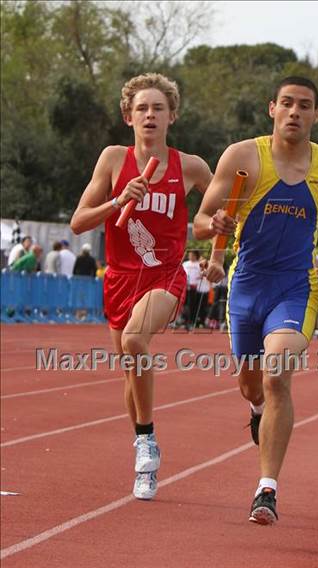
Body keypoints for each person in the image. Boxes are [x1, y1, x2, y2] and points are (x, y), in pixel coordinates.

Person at [193, 76, 318, 524]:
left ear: (317, 115)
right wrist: (215, 230)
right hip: (246, 286)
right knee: (252, 384)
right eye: (287, 103)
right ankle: (257, 409)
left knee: (278, 373)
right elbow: (202, 220)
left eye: (305, 105)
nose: (295, 112)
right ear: (272, 109)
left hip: (295, 288)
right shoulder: (243, 156)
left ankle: (267, 490)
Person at [70, 72, 212, 500]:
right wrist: (117, 198)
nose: (150, 115)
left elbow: (220, 212)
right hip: (119, 277)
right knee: (130, 371)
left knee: (135, 341)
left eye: (158, 108)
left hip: (165, 274)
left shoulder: (191, 166)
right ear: (128, 117)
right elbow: (78, 222)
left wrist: (220, 245)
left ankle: (147, 442)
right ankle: (143, 445)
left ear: (173, 116)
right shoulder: (114, 159)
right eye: (142, 109)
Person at [181, 250, 202, 328]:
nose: (191, 256)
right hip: (185, 287)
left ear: (196, 256)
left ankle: (191, 321)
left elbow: (203, 273)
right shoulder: (185, 264)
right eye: (190, 255)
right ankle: (183, 320)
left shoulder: (199, 264)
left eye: (192, 255)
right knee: (183, 304)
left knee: (191, 305)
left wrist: (200, 276)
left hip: (194, 287)